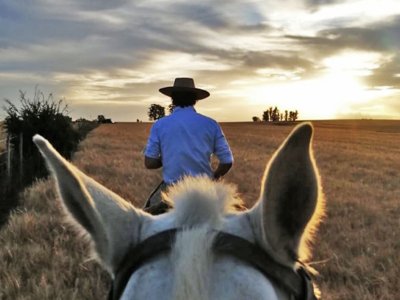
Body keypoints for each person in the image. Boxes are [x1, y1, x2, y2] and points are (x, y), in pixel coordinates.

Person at [143, 78, 233, 213]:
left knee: (142, 224)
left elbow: (149, 163)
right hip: (204, 192)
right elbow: (227, 161)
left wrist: (166, 157)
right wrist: (214, 177)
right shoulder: (211, 124)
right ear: (195, 100)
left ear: (172, 100)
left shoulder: (160, 125)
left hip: (171, 193)